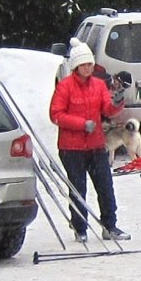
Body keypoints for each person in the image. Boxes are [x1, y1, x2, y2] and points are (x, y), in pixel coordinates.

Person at [50, 39, 129, 243]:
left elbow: (107, 110)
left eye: (90, 64)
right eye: (84, 65)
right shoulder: (65, 86)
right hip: (71, 147)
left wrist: (118, 101)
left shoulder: (98, 85)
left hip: (95, 145)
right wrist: (81, 124)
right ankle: (80, 227)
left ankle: (109, 225)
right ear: (76, 66)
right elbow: (56, 114)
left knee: (105, 185)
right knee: (78, 188)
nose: (88, 68)